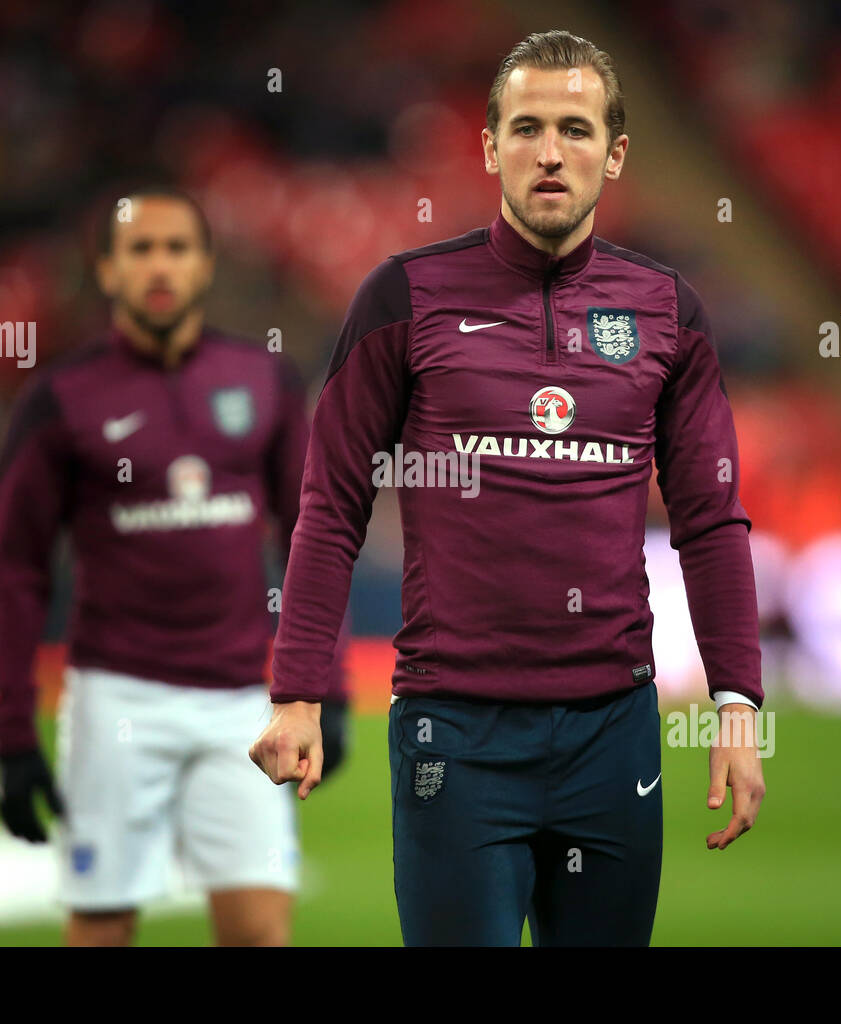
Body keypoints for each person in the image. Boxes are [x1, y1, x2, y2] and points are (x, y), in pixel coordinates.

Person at [251, 31, 764, 946]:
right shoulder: (404, 297)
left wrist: (737, 704)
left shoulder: (667, 312)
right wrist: (297, 690)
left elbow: (711, 519)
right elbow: (331, 505)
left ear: (615, 154)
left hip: (615, 734)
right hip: (456, 732)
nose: (550, 151)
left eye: (575, 128)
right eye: (526, 127)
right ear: (489, 147)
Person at [0, 185, 347, 946]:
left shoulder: (264, 382)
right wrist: (12, 733)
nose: (160, 264)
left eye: (177, 247)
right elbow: (19, 569)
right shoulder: (61, 398)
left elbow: (313, 535)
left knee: (259, 934)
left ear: (206, 264)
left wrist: (324, 690)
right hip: (117, 698)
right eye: (140, 248)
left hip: (240, 705)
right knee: (103, 928)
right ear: (108, 270)